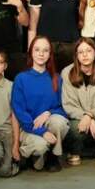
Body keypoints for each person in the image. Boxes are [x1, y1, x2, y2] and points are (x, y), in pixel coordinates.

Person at [12, 36, 70, 172]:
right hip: (28, 127)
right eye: (37, 50)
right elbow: (19, 111)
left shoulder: (56, 78)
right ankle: (37, 155)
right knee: (40, 146)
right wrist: (41, 132)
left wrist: (48, 113)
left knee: (59, 122)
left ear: (50, 54)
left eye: (45, 50)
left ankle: (53, 157)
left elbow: (63, 107)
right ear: (31, 52)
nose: (41, 54)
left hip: (48, 122)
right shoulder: (21, 78)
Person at [61, 38, 95, 164]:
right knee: (75, 129)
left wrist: (90, 116)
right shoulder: (67, 72)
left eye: (89, 51)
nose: (85, 55)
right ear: (76, 55)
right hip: (76, 118)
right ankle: (75, 151)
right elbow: (68, 104)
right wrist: (85, 117)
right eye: (81, 52)